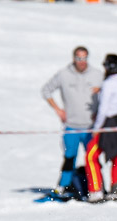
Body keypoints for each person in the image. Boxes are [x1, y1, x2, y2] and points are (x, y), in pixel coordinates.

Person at [41, 46, 102, 196]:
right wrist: (58, 109)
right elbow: (46, 90)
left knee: (92, 159)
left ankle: (96, 189)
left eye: (84, 58)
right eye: (79, 58)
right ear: (74, 58)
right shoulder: (63, 74)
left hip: (90, 127)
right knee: (69, 157)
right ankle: (64, 186)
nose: (82, 61)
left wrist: (99, 113)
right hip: (71, 126)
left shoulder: (97, 75)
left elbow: (108, 97)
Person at [85, 54, 117, 203]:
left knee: (91, 155)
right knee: (116, 155)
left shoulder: (109, 83)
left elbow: (104, 108)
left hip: (108, 123)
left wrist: (96, 128)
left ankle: (96, 191)